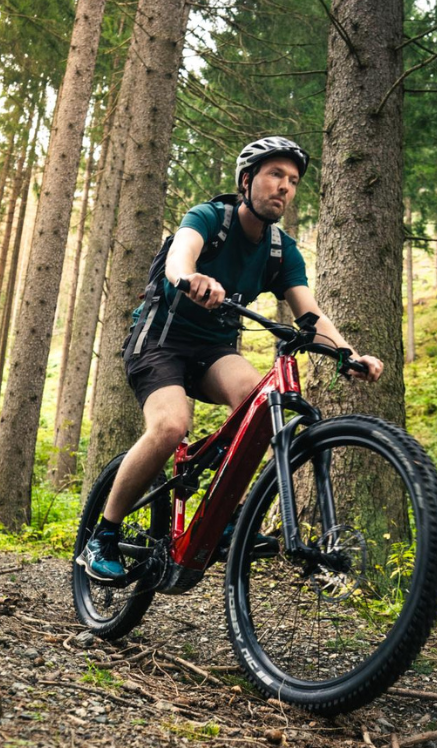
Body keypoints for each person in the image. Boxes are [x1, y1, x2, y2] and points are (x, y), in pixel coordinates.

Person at [77, 136, 384, 582]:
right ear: (247, 180)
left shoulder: (281, 250)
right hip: (159, 343)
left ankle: (223, 516)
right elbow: (179, 258)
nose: (285, 187)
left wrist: (349, 355)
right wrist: (190, 277)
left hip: (214, 351)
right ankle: (102, 536)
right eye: (275, 175)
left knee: (260, 399)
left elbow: (310, 313)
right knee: (170, 426)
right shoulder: (209, 218)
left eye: (293, 181)